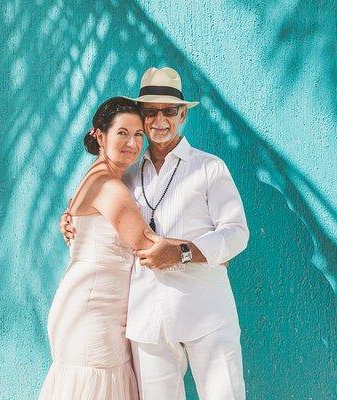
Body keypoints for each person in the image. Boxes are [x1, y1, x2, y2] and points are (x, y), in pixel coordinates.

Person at [60, 67, 249, 399]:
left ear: (183, 115)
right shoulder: (128, 174)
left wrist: (186, 252)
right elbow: (100, 205)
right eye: (150, 111)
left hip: (205, 312)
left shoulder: (209, 167)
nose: (160, 119)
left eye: (169, 110)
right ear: (142, 117)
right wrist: (70, 214)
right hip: (148, 322)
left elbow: (236, 234)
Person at [39, 97, 150, 400]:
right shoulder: (110, 186)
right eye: (122, 133)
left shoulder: (95, 175)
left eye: (139, 134)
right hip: (93, 317)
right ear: (100, 136)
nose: (132, 142)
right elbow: (148, 246)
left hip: (87, 310)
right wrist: (201, 250)